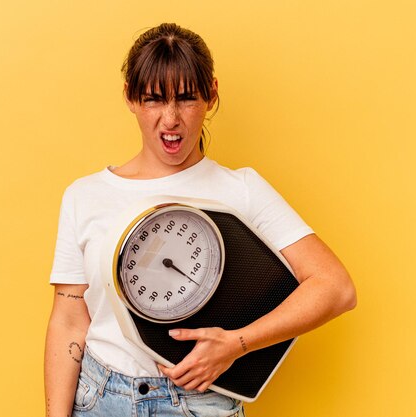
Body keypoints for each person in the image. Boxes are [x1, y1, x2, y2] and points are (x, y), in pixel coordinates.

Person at [44, 23, 357, 417]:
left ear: (211, 95)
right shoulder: (85, 195)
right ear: (130, 98)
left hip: (200, 404)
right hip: (99, 397)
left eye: (187, 98)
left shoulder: (240, 190)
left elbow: (336, 288)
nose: (171, 118)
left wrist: (237, 344)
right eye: (154, 99)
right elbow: (70, 320)